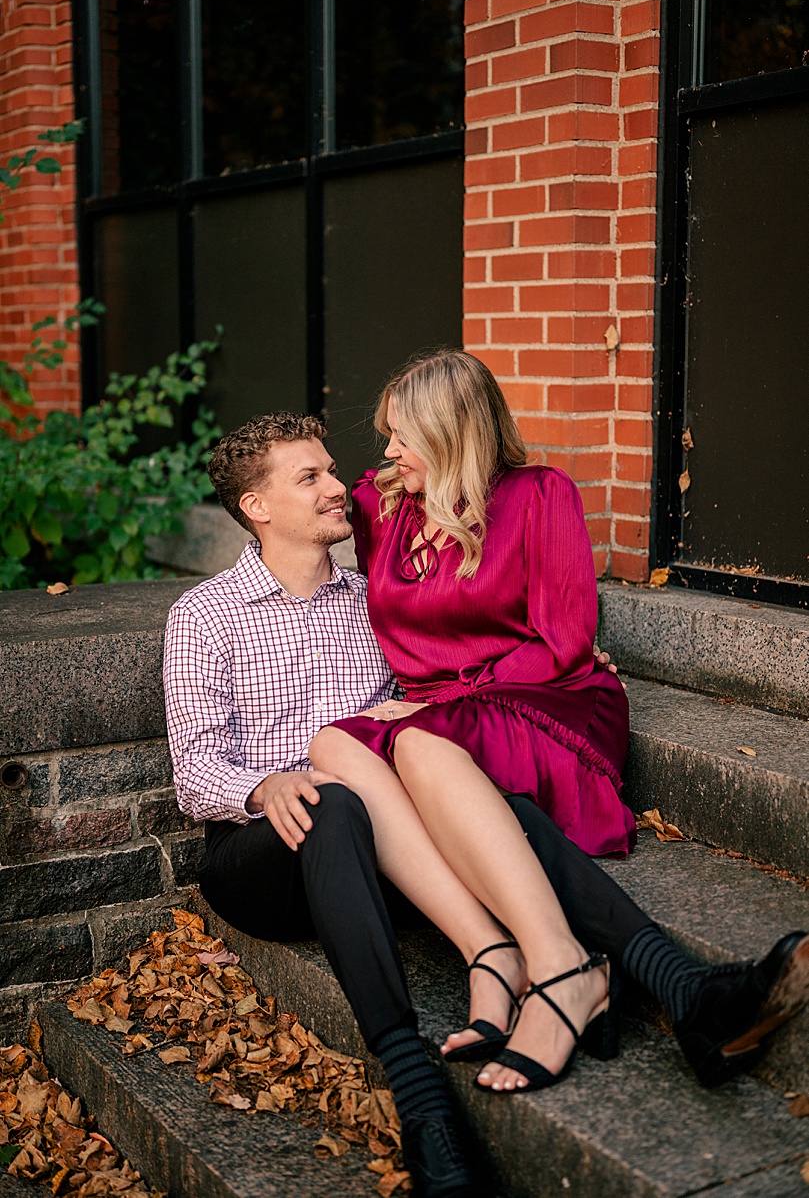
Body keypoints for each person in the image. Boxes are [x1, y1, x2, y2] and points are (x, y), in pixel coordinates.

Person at [165, 409, 808, 1195]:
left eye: (333, 469)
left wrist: (563, 669)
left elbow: (457, 669)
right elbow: (195, 770)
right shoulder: (204, 615)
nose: (341, 486)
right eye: (312, 477)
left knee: (485, 800)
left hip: (390, 852)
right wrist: (264, 784)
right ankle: (420, 1091)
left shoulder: (372, 601)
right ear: (256, 506)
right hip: (269, 855)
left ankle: (682, 987)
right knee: (331, 800)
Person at [308, 349, 809, 1098]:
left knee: (413, 742)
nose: (386, 451)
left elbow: (564, 641)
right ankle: (602, 975)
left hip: (546, 696)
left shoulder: (540, 495)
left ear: (451, 434)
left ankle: (556, 969)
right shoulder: (385, 508)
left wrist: (441, 701)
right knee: (336, 745)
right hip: (435, 722)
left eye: (402, 435)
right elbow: (287, 503)